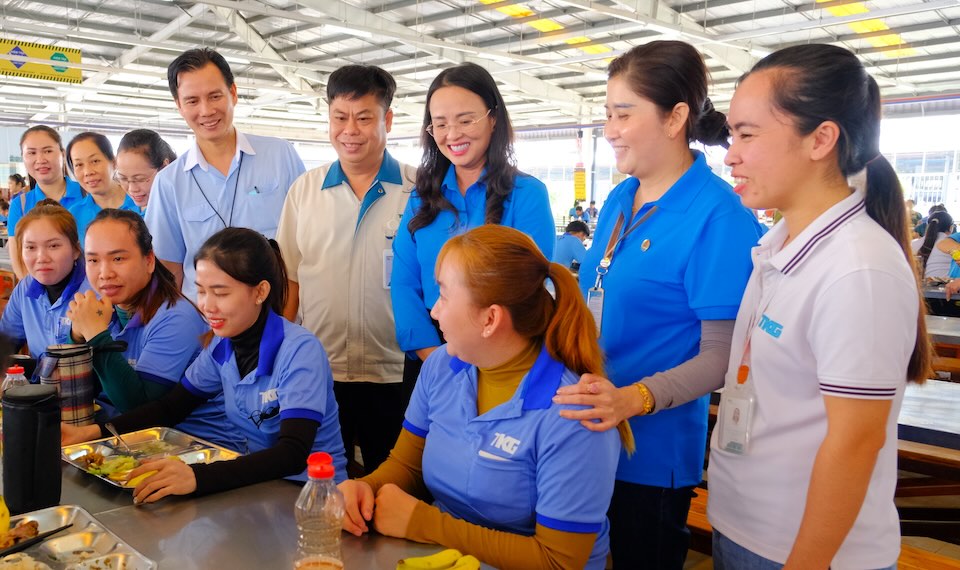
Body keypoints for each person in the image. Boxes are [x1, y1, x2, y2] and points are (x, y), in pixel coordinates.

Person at [707, 43, 931, 570]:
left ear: (821, 139)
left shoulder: (859, 270)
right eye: (731, 135)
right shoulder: (778, 246)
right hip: (744, 526)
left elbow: (855, 442)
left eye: (747, 134)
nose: (731, 153)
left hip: (806, 552)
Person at [552, 41, 764, 569]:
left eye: (624, 114)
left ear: (675, 118)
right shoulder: (623, 199)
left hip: (651, 456)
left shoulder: (719, 216)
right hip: (586, 434)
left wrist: (632, 400)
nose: (610, 129)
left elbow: (722, 357)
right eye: (608, 113)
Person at [339, 225, 625, 569]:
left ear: (490, 319)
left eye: (444, 296)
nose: (434, 311)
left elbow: (558, 560)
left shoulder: (574, 412)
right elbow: (406, 465)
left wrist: (424, 523)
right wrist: (363, 488)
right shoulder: (442, 367)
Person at [61, 227, 347, 503]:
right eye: (201, 291)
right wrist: (93, 433)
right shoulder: (222, 347)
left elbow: (293, 453)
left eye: (220, 293)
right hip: (257, 487)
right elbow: (171, 407)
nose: (207, 306)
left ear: (260, 292)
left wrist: (197, 478)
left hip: (311, 494)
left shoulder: (299, 350)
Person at [277, 65, 414, 475]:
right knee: (321, 481)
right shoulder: (305, 190)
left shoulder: (418, 189)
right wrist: (279, 355)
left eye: (364, 117)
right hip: (321, 370)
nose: (350, 130)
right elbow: (291, 282)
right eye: (340, 117)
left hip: (395, 370)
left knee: (391, 480)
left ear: (386, 120)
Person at [392, 62, 555, 403]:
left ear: (493, 118)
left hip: (499, 360)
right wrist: (434, 358)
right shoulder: (421, 199)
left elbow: (528, 290)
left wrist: (477, 358)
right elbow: (404, 283)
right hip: (429, 357)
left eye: (466, 120)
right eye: (440, 124)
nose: (452, 134)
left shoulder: (526, 195)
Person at [145, 48, 306, 300]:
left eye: (214, 96)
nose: (206, 111)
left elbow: (306, 246)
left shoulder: (280, 156)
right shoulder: (169, 183)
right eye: (192, 101)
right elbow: (171, 272)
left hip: (279, 318)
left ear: (233, 93)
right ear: (178, 105)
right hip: (207, 327)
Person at [66, 210, 234, 450]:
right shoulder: (106, 310)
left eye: (118, 259)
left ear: (149, 260)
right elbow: (77, 391)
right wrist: (76, 336)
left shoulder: (176, 317)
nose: (105, 273)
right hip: (138, 441)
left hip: (199, 446)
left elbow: (138, 408)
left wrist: (95, 336)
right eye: (93, 260)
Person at [0, 200, 90, 359]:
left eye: (53, 246)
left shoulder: (94, 289)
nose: (41, 258)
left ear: (76, 250)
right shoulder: (25, 288)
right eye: (30, 247)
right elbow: (7, 343)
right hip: (40, 383)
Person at [8, 126, 85, 279]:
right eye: (31, 153)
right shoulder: (21, 205)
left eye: (48, 151)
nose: (40, 159)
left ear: (62, 154)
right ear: (23, 158)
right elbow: (19, 261)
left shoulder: (87, 193)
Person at [66, 132, 140, 243]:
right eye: (79, 165)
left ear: (114, 162)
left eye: (95, 161)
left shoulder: (140, 202)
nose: (88, 172)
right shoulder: (74, 215)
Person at [116, 129, 177, 213]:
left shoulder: (177, 210)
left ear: (163, 168)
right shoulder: (125, 210)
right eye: (123, 179)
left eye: (140, 179)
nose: (132, 189)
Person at [911, 210, 953, 278]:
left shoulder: (913, 244)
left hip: (918, 286)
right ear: (951, 228)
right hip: (947, 286)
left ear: (928, 226)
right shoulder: (954, 244)